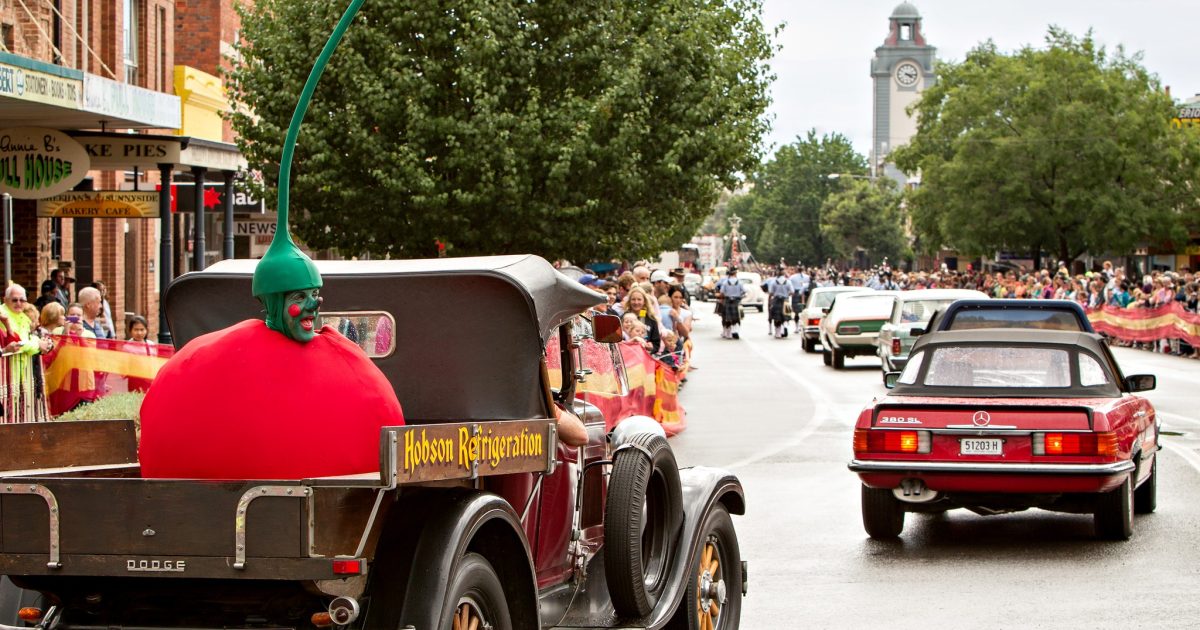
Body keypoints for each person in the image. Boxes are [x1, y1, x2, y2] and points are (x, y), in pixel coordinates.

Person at [621, 286, 662, 352]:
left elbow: (656, 344)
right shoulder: (623, 317)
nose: (636, 302)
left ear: (644, 301)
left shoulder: (651, 319)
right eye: (633, 299)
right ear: (629, 301)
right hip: (627, 354)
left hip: (644, 356)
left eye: (639, 299)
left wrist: (652, 347)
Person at [715, 267, 744, 339]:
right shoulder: (740, 282)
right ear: (735, 273)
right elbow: (743, 292)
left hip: (726, 300)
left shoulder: (724, 282)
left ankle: (728, 333)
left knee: (726, 318)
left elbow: (721, 292)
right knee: (736, 318)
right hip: (736, 301)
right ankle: (734, 331)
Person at [767, 269, 794, 339]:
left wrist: (771, 300)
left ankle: (778, 333)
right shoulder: (788, 282)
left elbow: (770, 293)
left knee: (777, 318)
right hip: (785, 300)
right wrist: (786, 294)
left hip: (776, 300)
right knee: (785, 316)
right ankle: (785, 327)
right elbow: (792, 292)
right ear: (784, 274)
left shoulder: (773, 282)